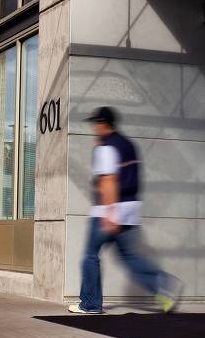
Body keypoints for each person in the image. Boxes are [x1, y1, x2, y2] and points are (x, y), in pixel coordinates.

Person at [68, 106, 182, 314]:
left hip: (108, 211)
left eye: (96, 124)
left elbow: (109, 179)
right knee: (129, 257)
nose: (94, 128)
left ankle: (90, 304)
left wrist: (110, 213)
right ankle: (163, 284)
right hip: (130, 211)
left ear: (104, 124)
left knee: (90, 256)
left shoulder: (106, 147)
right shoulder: (128, 144)